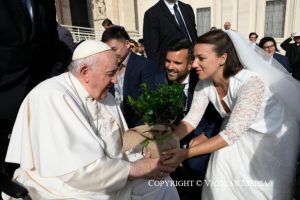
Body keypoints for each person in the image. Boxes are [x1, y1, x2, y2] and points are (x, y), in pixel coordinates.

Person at [2, 40, 179, 200]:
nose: (115, 80)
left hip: (108, 174)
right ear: (85, 72)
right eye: (110, 73)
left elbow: (117, 147)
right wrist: (137, 168)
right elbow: (75, 170)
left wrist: (143, 153)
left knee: (161, 184)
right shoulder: (52, 96)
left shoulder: (105, 95)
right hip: (61, 186)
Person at [162, 30, 300, 199]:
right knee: (219, 184)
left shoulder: (251, 82)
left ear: (223, 58)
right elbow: (191, 119)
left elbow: (231, 134)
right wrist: (170, 140)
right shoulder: (204, 83)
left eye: (201, 58)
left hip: (268, 139)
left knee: (259, 192)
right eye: (194, 58)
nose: (194, 64)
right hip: (231, 136)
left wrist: (185, 154)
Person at [0, 0, 70, 183]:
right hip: (3, 107)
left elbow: (53, 50)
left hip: (34, 107)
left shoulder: (45, 3)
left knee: (28, 176)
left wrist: (45, 88)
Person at [163, 38, 222, 199]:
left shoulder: (204, 80)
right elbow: (191, 118)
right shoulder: (157, 81)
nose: (170, 67)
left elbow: (219, 116)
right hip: (173, 138)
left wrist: (206, 135)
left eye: (177, 63)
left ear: (190, 65)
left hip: (202, 138)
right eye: (168, 61)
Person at [102, 26, 156, 128]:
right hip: (114, 124)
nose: (111, 54)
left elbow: (150, 97)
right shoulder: (105, 67)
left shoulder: (144, 65)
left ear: (127, 44)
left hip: (138, 125)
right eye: (107, 50)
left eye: (114, 49)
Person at [143, 0, 197, 71]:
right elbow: (152, 52)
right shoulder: (152, 14)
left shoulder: (187, 9)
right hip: (171, 71)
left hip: (194, 65)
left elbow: (194, 36)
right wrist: (163, 75)